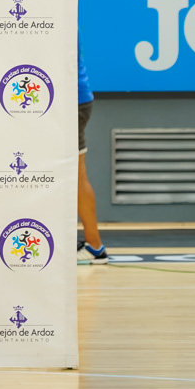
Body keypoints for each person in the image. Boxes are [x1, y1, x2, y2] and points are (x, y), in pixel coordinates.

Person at [76, 44, 108, 264]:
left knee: (77, 174)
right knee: (77, 174)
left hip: (70, 102)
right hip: (67, 100)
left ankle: (95, 246)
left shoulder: (57, 16)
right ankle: (94, 246)